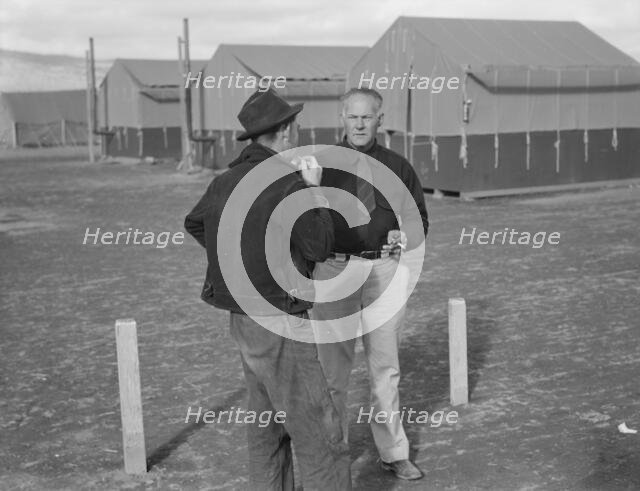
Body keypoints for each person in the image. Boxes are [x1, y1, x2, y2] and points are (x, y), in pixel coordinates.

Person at [184, 89, 351, 490]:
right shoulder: (287, 183)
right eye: (294, 124)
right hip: (281, 320)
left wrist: (241, 264)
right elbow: (319, 245)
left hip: (243, 318)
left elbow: (194, 223)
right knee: (317, 432)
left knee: (266, 427)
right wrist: (314, 188)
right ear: (285, 130)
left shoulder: (223, 182)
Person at [311, 87, 429, 481]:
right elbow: (303, 222)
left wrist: (404, 236)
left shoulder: (398, 166)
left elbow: (418, 221)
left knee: (385, 369)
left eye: (367, 117)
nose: (359, 123)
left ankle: (394, 452)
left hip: (384, 273)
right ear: (341, 119)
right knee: (332, 376)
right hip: (334, 274)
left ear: (380, 120)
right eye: (352, 116)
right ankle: (332, 457)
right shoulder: (322, 166)